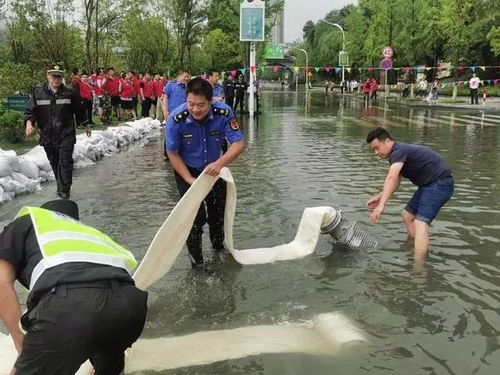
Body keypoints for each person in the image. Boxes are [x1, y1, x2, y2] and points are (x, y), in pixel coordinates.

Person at [0, 199, 148, 375]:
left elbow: (2, 283)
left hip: (70, 308)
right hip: (130, 307)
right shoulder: (88, 233)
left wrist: (20, 342)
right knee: (108, 360)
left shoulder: (27, 223)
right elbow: (99, 300)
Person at [166, 78, 244, 268]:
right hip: (187, 170)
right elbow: (172, 153)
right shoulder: (176, 119)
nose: (195, 109)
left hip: (214, 170)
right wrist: (188, 178)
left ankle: (218, 252)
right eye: (191, 104)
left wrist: (220, 163)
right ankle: (197, 264)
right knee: (193, 220)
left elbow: (238, 144)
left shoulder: (223, 112)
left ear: (211, 101)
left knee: (217, 215)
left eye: (201, 105)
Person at [365, 127, 454, 264]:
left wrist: (382, 205)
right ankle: (417, 247)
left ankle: (419, 268)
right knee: (407, 216)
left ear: (388, 141)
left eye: (377, 148)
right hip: (428, 185)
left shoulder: (398, 151)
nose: (376, 153)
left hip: (440, 184)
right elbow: (396, 181)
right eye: (373, 150)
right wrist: (380, 196)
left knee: (420, 222)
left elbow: (392, 177)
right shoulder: (397, 155)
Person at [24, 64, 89, 200]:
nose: (56, 79)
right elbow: (30, 111)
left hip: (66, 134)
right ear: (48, 76)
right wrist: (29, 124)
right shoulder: (38, 92)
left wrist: (85, 124)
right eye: (54, 76)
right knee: (54, 162)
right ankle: (61, 187)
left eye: (59, 77)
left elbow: (79, 111)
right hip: (47, 135)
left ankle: (64, 194)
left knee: (65, 162)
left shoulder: (70, 93)